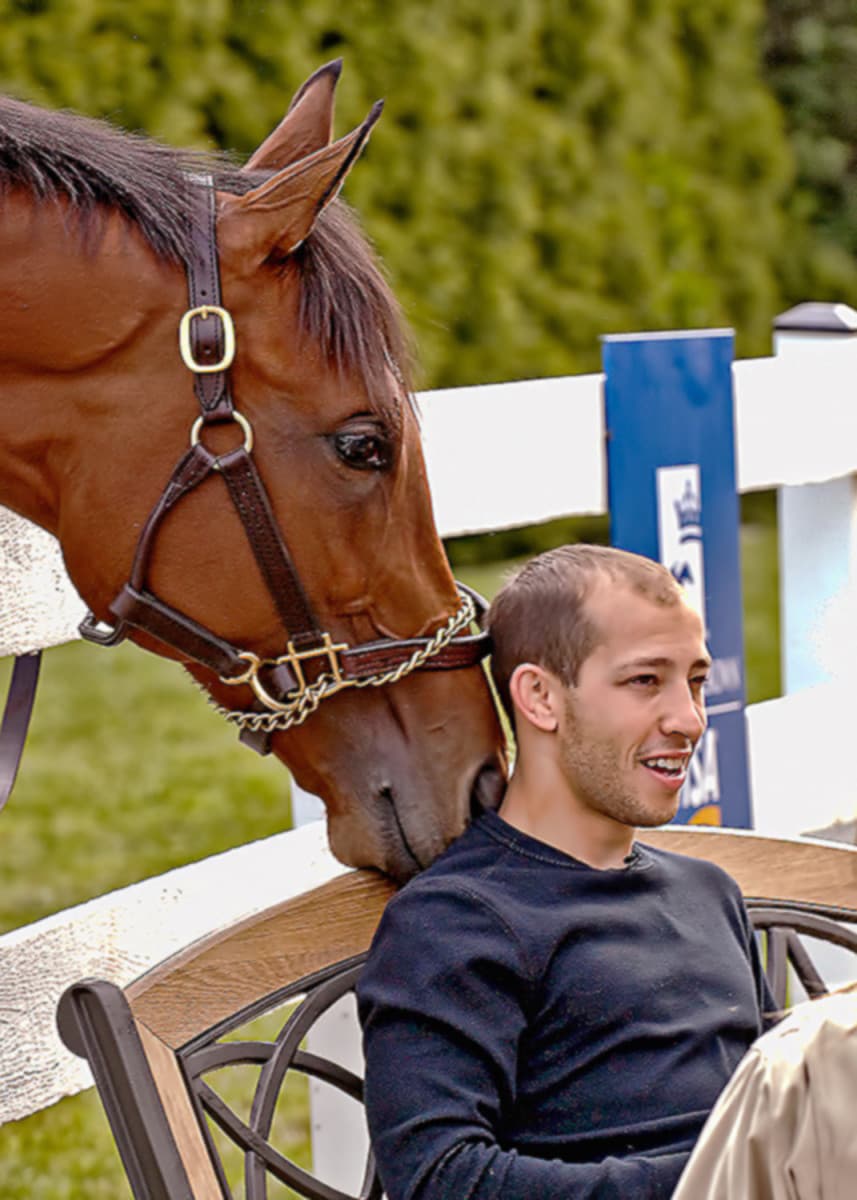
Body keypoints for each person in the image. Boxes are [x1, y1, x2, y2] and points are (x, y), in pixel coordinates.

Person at [357, 544, 775, 1199]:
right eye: (644, 681)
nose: (688, 719)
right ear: (540, 698)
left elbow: (779, 1105)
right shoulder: (457, 921)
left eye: (694, 680)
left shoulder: (707, 893)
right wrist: (725, 1180)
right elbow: (442, 1178)